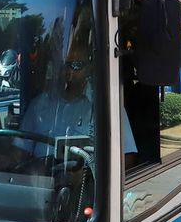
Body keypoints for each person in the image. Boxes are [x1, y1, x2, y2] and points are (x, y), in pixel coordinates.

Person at [19, 31, 138, 171]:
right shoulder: (39, 104)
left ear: (89, 68)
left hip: (87, 190)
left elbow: (127, 157)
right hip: (42, 185)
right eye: (64, 64)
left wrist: (88, 176)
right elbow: (20, 150)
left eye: (76, 65)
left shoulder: (107, 105)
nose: (68, 72)